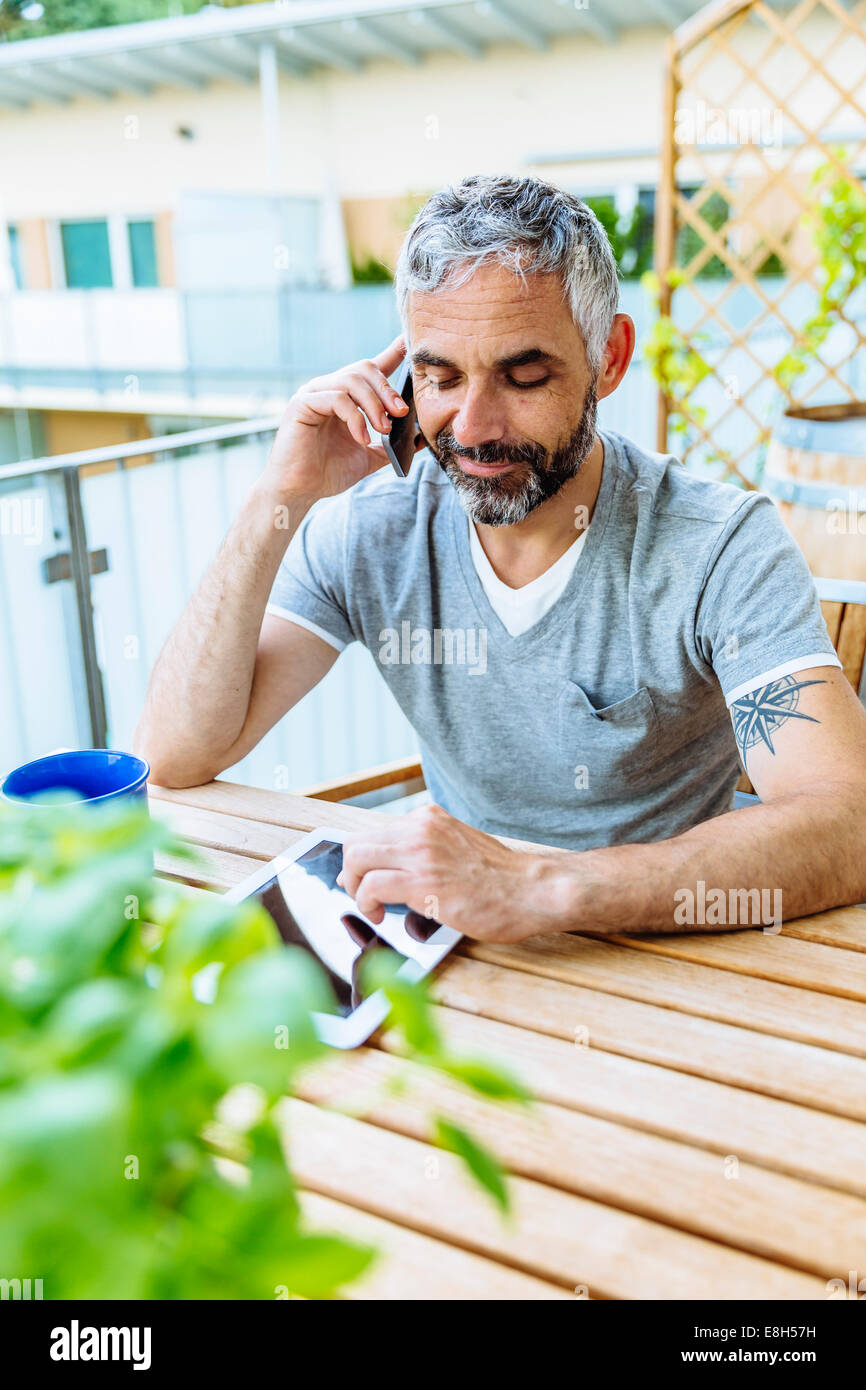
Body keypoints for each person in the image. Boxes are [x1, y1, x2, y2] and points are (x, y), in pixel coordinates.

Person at [134, 174, 866, 942]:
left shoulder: (718, 545)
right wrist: (278, 496)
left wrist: (539, 887)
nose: (475, 428)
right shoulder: (371, 529)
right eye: (439, 375)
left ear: (609, 358)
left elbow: (846, 820)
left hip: (668, 953)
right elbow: (173, 757)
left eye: (523, 377)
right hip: (452, 946)